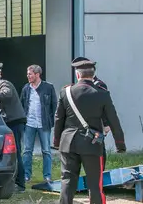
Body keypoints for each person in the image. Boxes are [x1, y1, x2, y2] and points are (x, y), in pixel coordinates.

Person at [53, 58, 126, 204]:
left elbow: (58, 119)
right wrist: (120, 144)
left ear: (78, 75)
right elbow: (113, 120)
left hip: (68, 143)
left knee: (67, 182)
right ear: (93, 75)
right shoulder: (102, 94)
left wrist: (56, 142)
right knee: (95, 185)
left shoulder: (65, 92)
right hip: (92, 144)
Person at [20, 64, 57, 183]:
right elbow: (22, 105)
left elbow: (54, 105)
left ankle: (47, 176)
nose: (28, 76)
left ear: (37, 74)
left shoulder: (48, 87)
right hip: (29, 123)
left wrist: (50, 120)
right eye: (27, 74)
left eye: (30, 74)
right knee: (27, 150)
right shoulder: (26, 88)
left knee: (46, 150)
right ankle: (26, 175)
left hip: (44, 124)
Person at [71, 56, 110, 164]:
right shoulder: (77, 86)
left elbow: (104, 107)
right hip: (83, 122)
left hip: (97, 121)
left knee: (98, 145)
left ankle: (100, 170)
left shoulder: (99, 85)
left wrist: (106, 124)